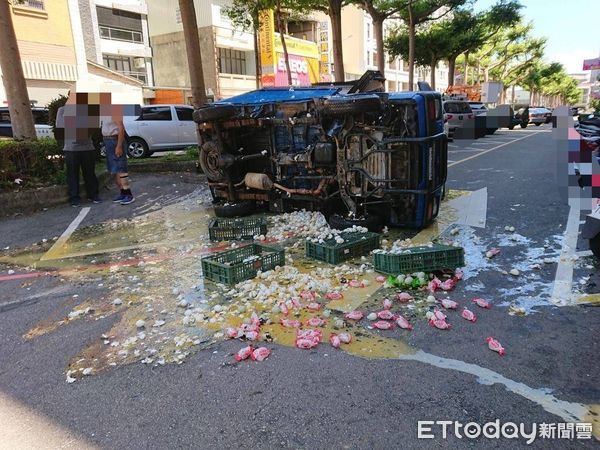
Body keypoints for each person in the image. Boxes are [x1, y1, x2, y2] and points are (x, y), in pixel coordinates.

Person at [55, 92, 100, 207]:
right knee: (72, 174)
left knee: (89, 173)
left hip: (87, 147)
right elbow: (60, 127)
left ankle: (93, 194)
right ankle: (74, 197)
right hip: (71, 148)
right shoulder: (62, 110)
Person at [101, 102, 134, 204]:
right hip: (108, 141)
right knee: (115, 168)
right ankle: (122, 193)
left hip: (115, 140)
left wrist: (119, 146)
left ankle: (128, 194)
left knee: (120, 167)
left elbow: (120, 128)